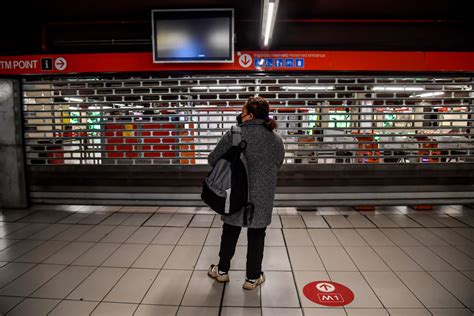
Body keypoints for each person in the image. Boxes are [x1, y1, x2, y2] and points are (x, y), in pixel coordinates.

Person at [207, 96, 285, 290]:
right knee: (257, 235)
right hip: (262, 197)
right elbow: (278, 164)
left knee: (230, 232)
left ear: (249, 115)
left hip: (234, 193)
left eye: (242, 112)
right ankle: (252, 278)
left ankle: (222, 271)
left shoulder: (234, 134)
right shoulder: (276, 139)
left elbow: (212, 159)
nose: (239, 115)